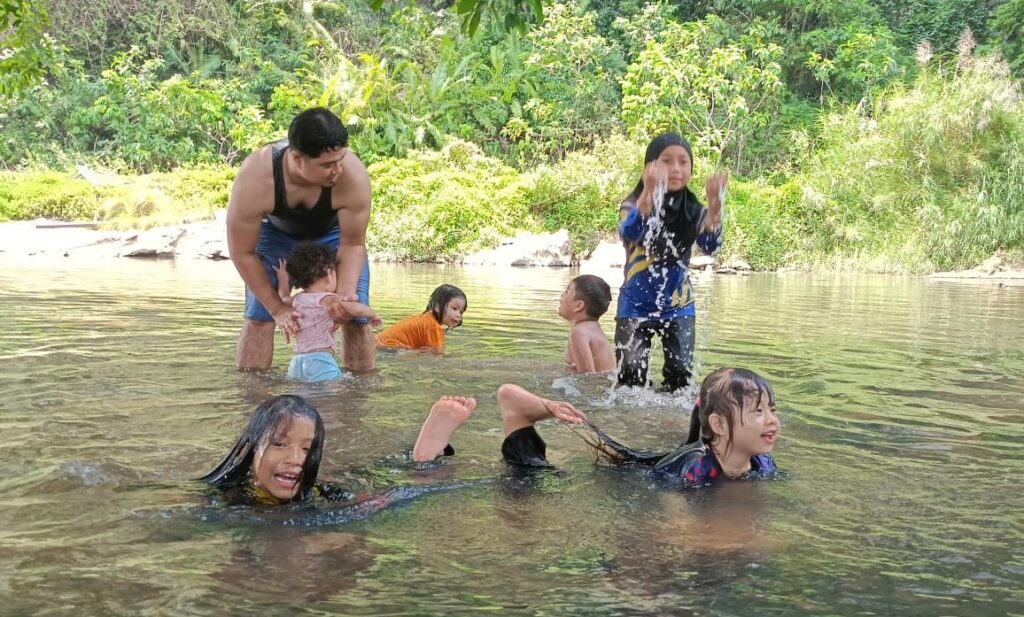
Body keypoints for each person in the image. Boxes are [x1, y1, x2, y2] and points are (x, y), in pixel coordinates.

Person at [226, 107, 375, 374]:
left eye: (340, 159)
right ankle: (252, 402)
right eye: (327, 165)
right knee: (260, 317)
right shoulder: (256, 177)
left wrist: (343, 297)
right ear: (296, 158)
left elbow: (352, 244)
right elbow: (242, 253)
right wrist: (276, 308)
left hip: (333, 237)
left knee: (357, 317)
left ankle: (357, 405)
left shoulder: (352, 176)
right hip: (275, 236)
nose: (338, 170)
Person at [498, 367, 779, 488]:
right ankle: (518, 411)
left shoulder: (762, 463)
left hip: (648, 467)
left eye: (772, 410)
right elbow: (676, 528)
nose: (771, 420)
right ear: (717, 424)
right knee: (535, 478)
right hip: (630, 481)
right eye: (758, 411)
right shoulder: (692, 469)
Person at [200, 393, 476, 505]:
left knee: (405, 486)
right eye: (280, 444)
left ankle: (425, 454)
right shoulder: (227, 497)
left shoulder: (319, 490)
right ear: (250, 449)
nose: (296, 460)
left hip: (341, 485)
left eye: (308, 449)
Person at [615, 133, 728, 392]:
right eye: (666, 161)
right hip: (635, 303)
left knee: (680, 380)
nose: (676, 169)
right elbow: (629, 233)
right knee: (629, 381)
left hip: (678, 303)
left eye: (683, 162)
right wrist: (648, 194)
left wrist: (714, 208)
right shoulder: (632, 203)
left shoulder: (695, 210)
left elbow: (710, 246)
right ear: (650, 167)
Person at [272, 242, 381, 382]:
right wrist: (372, 315)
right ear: (329, 274)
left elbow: (283, 297)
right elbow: (356, 308)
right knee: (331, 399)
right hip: (321, 362)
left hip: (296, 363)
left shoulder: (297, 299)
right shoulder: (329, 299)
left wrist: (282, 278)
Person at [376, 284, 467, 351]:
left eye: (461, 312)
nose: (458, 315)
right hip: (388, 350)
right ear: (437, 307)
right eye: (454, 308)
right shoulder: (432, 326)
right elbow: (436, 357)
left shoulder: (425, 320)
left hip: (378, 344)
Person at [558, 274, 615, 373]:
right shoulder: (593, 328)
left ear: (579, 305)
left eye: (566, 292)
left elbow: (587, 378)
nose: (561, 296)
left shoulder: (579, 332)